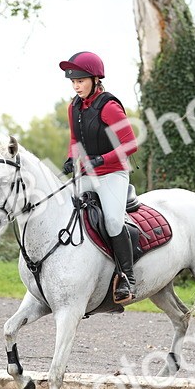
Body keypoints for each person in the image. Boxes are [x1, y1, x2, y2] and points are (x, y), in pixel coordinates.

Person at [58, 50, 139, 304]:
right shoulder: (74, 106)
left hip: (113, 173)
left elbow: (131, 145)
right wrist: (73, 158)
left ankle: (127, 277)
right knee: (63, 211)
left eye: (80, 81)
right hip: (87, 173)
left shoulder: (109, 106)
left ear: (95, 79)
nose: (76, 86)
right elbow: (75, 139)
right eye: (73, 81)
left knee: (113, 221)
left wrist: (101, 160)